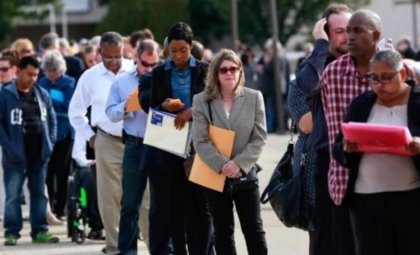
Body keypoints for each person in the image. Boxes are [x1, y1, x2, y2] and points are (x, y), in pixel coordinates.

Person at [333, 49, 420, 255]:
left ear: (403, 74)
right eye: (374, 78)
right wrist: (347, 148)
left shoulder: (417, 102)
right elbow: (337, 148)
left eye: (386, 77)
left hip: (411, 200)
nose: (380, 84)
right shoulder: (361, 104)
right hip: (366, 202)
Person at [140, 22, 212, 255]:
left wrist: (192, 110)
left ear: (191, 47)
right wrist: (164, 105)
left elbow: (216, 102)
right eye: (174, 51)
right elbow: (151, 107)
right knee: (174, 205)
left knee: (200, 205)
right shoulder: (160, 73)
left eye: (183, 50)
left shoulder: (204, 70)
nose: (179, 56)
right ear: (167, 50)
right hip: (169, 144)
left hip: (200, 143)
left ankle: (202, 250)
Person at [321, 9, 385, 254]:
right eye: (347, 30)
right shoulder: (332, 74)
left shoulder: (399, 71)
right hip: (346, 181)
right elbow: (331, 128)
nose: (350, 36)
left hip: (394, 183)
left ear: (376, 35)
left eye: (357, 30)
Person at [192, 48, 267, 254]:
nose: (229, 73)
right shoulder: (201, 100)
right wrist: (223, 165)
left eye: (234, 69)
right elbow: (200, 140)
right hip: (216, 176)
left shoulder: (254, 97)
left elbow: (259, 137)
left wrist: (239, 164)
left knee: (254, 231)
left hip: (246, 176)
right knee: (223, 233)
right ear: (215, 73)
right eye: (223, 69)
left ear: (240, 71)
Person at [294, 4, 353, 255]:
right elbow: (307, 85)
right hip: (324, 162)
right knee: (324, 240)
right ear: (326, 33)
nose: (346, 36)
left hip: (361, 160)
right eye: (339, 31)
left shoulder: (365, 62)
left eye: (351, 30)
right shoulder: (316, 65)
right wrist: (320, 47)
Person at [69, 31, 134, 254]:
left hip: (136, 139)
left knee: (142, 193)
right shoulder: (90, 77)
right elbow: (75, 112)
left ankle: (145, 239)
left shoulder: (135, 70)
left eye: (118, 56)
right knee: (110, 196)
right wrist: (90, 136)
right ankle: (115, 246)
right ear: (99, 53)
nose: (114, 62)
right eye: (109, 57)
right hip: (106, 139)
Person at [105, 38, 160, 254]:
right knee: (130, 202)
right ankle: (127, 251)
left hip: (159, 144)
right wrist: (126, 106)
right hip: (135, 144)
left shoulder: (163, 77)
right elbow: (110, 113)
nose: (149, 69)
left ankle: (164, 248)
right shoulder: (122, 82)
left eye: (153, 64)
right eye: (145, 64)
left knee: (160, 202)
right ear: (135, 58)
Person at [0, 56, 58, 245]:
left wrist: (50, 142)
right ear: (18, 71)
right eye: (29, 74)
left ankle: (40, 230)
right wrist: (8, 147)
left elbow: (52, 119)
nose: (32, 79)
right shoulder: (5, 94)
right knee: (13, 194)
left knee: (39, 193)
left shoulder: (42, 94)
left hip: (39, 154)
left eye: (35, 75)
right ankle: (11, 232)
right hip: (15, 154)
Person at [38, 50, 75, 220]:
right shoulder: (41, 82)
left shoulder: (69, 82)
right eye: (48, 71)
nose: (51, 74)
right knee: (48, 171)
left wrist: (50, 101)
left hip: (65, 133)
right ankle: (49, 208)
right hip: (45, 133)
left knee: (62, 172)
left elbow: (69, 105)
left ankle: (61, 209)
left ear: (60, 70)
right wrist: (55, 101)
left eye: (54, 71)